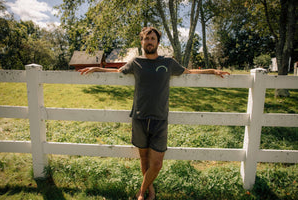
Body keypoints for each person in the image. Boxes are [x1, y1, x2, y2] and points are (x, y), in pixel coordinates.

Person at [79, 27, 230, 200]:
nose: (149, 41)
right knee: (144, 159)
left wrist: (211, 71)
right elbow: (117, 71)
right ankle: (149, 191)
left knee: (156, 163)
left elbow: (188, 72)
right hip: (139, 117)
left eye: (152, 39)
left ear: (158, 42)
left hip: (160, 119)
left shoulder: (168, 62)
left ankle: (141, 191)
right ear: (142, 42)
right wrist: (96, 68)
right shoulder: (136, 62)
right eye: (146, 39)